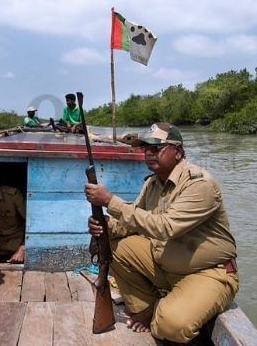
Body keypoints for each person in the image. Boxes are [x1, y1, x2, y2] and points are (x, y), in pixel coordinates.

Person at [85, 123, 238, 343]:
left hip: (207, 272)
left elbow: (167, 227)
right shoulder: (153, 184)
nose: (148, 153)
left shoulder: (200, 184)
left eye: (156, 148)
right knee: (115, 245)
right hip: (167, 264)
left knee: (171, 326)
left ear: (178, 152)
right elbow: (131, 222)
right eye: (145, 148)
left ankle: (157, 310)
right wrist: (104, 226)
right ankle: (152, 306)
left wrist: (110, 201)